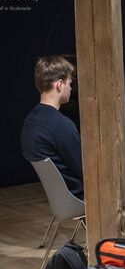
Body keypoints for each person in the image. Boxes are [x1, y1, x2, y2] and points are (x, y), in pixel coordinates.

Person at [21, 56, 83, 197]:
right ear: (60, 85)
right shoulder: (61, 126)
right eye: (70, 83)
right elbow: (86, 170)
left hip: (59, 198)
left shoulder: (30, 121)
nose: (71, 88)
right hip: (78, 197)